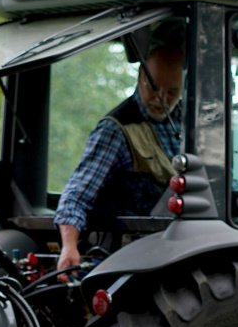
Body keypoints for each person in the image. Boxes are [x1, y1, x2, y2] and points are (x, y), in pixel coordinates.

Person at [53, 26, 185, 273]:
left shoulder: (188, 121)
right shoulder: (116, 130)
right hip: (137, 254)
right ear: (140, 77)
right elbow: (77, 195)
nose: (162, 99)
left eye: (172, 92)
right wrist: (69, 246)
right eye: (154, 87)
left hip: (183, 241)